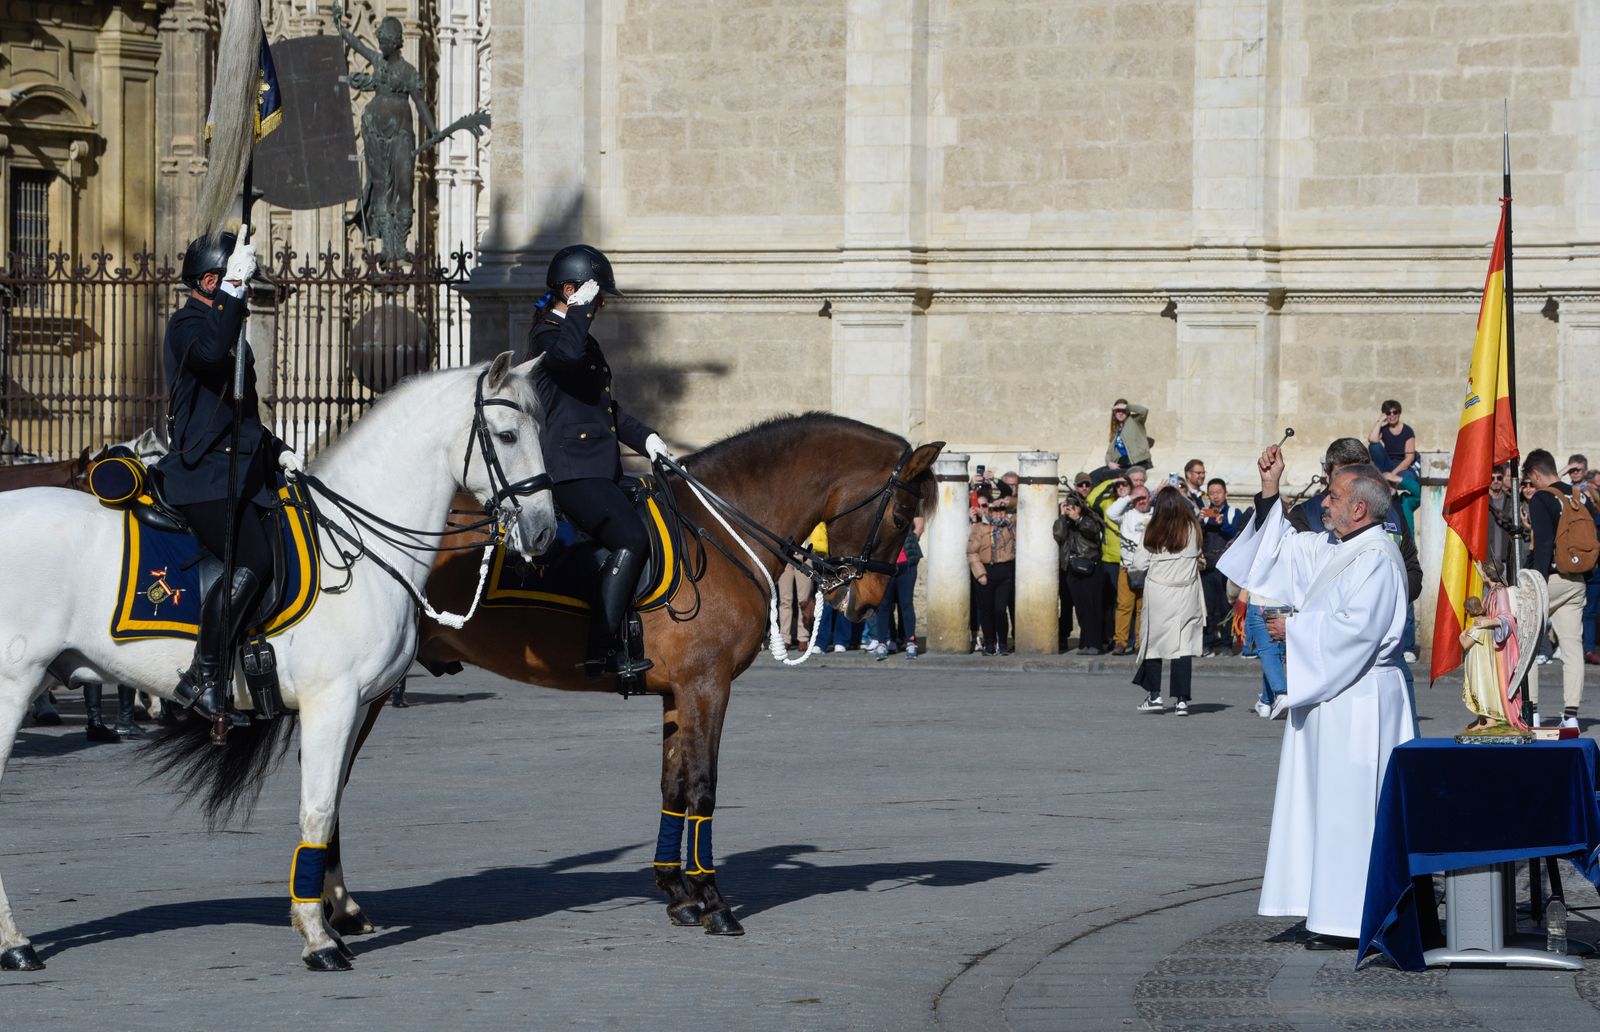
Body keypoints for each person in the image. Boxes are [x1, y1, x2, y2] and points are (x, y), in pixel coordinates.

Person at [1219, 451, 1412, 948]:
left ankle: (1349, 918)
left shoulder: (1377, 558)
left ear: (1361, 510)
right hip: (1331, 696)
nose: (1324, 503)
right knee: (1321, 806)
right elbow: (1280, 551)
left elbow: (1359, 630)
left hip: (1361, 702)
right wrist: (1268, 489)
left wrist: (1296, 629)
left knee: (1349, 809)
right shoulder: (1339, 546)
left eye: (1334, 497)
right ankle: (1322, 907)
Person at [157, 225, 299, 739]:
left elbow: (243, 413)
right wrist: (234, 294)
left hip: (240, 471)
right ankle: (204, 673)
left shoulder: (226, 326)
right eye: (236, 279)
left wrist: (277, 448)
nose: (245, 287)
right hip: (202, 477)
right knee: (253, 561)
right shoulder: (187, 324)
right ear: (212, 280)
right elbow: (210, 355)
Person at [526, 244, 673, 684]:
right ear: (569, 290)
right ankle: (603, 649)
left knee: (658, 511)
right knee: (631, 537)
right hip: (571, 471)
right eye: (595, 292)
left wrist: (647, 438)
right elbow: (566, 359)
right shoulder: (547, 334)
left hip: (599, 469)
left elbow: (606, 411)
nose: (602, 302)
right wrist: (578, 310)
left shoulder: (579, 337)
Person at [1522, 448, 1592, 728]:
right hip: (1577, 578)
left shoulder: (1542, 498)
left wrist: (1536, 582)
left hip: (1550, 577)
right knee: (1572, 647)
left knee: (1526, 641)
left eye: (1530, 480)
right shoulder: (1580, 496)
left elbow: (1544, 545)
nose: (1530, 485)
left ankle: (1533, 711)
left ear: (1537, 474)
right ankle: (1571, 717)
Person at [1130, 487, 1204, 715]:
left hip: (1160, 593)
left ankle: (1154, 695)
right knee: (1183, 645)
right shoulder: (1193, 529)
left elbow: (1139, 564)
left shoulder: (1154, 529)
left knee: (1154, 644)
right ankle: (1182, 699)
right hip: (1187, 592)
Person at [1198, 478, 1248, 655]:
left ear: (1225, 494)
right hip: (1207, 566)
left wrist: (1222, 524)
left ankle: (1227, 644)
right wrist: (1200, 522)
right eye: (1212, 493)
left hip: (1225, 567)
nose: (1215, 496)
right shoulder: (1204, 515)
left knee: (1226, 606)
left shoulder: (1233, 512)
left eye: (1218, 492)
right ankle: (1208, 643)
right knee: (1208, 607)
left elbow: (1237, 534)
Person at [967, 480, 1017, 656]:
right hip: (986, 572)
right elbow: (972, 552)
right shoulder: (979, 528)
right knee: (986, 610)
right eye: (995, 510)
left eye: (1001, 510)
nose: (999, 513)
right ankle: (989, 642)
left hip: (1004, 572)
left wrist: (1005, 502)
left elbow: (1018, 504)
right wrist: (980, 574)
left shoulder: (1010, 527)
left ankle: (1002, 642)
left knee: (999, 609)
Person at [1054, 479, 1103, 654]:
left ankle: (1095, 643)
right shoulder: (1064, 521)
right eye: (1069, 504)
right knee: (1081, 608)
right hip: (1072, 568)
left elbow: (1092, 533)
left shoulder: (1091, 519)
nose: (1071, 508)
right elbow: (1058, 535)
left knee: (1092, 607)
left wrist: (1079, 519)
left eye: (1074, 505)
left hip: (1090, 567)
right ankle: (1085, 643)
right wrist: (1062, 516)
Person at [871, 517, 924, 659]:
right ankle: (883, 642)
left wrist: (911, 540)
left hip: (906, 563)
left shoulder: (908, 503)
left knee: (906, 603)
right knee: (884, 605)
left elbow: (920, 525)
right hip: (886, 564)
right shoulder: (881, 506)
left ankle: (910, 642)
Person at [1107, 485, 1152, 653]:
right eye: (1138, 499)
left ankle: (1141, 642)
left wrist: (1153, 495)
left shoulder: (1155, 515)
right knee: (1124, 606)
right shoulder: (1126, 515)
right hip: (1126, 567)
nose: (1141, 501)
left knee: (1143, 608)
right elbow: (1111, 513)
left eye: (1144, 498)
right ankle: (1121, 641)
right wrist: (1128, 498)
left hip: (1148, 569)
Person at [1368, 400, 1420, 532]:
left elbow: (1409, 458)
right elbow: (1372, 439)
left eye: (1394, 412)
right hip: (1386, 464)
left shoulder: (1407, 431)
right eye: (1388, 413)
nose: (1392, 415)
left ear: (1399, 412)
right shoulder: (1384, 429)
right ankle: (1385, 482)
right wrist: (1380, 420)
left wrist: (1393, 475)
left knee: (1404, 480)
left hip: (1402, 466)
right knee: (1374, 447)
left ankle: (1389, 485)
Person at [1105, 399, 1153, 470]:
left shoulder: (1135, 420)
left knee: (1105, 474)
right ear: (1114, 413)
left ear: (1127, 411)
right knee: (1096, 474)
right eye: (1118, 411)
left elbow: (1144, 411)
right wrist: (1109, 463)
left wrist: (1127, 406)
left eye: (1123, 411)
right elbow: (1109, 453)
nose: (1120, 413)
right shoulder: (1116, 430)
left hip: (1138, 462)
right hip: (1123, 463)